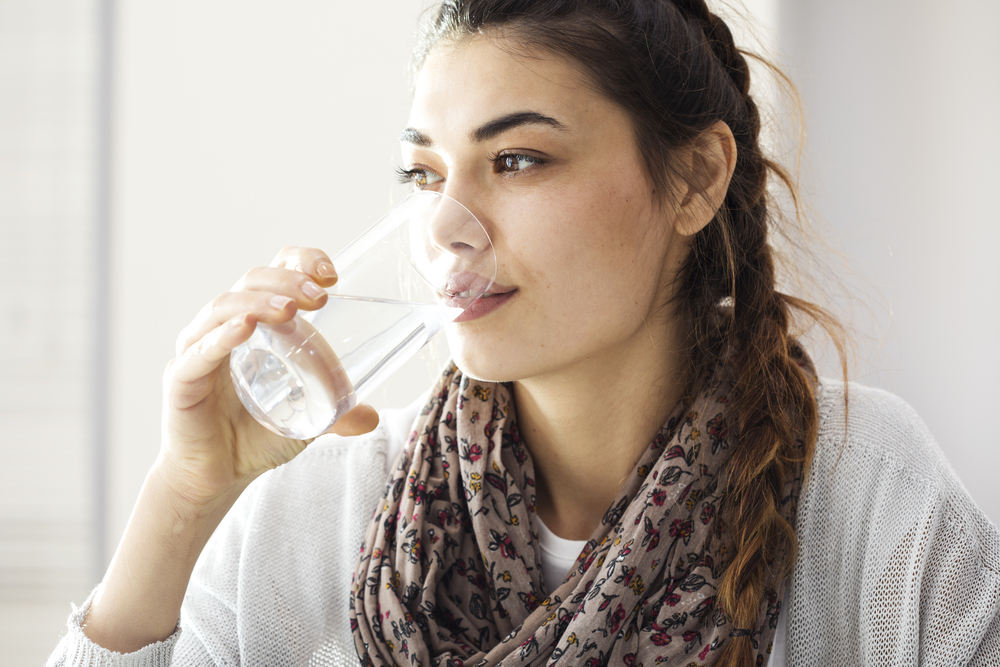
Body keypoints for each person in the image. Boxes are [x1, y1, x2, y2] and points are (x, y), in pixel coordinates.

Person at [49, 1, 999, 665]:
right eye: (425, 175)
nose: (445, 228)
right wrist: (184, 495)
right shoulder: (313, 512)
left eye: (516, 159)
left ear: (699, 179)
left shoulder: (867, 491)